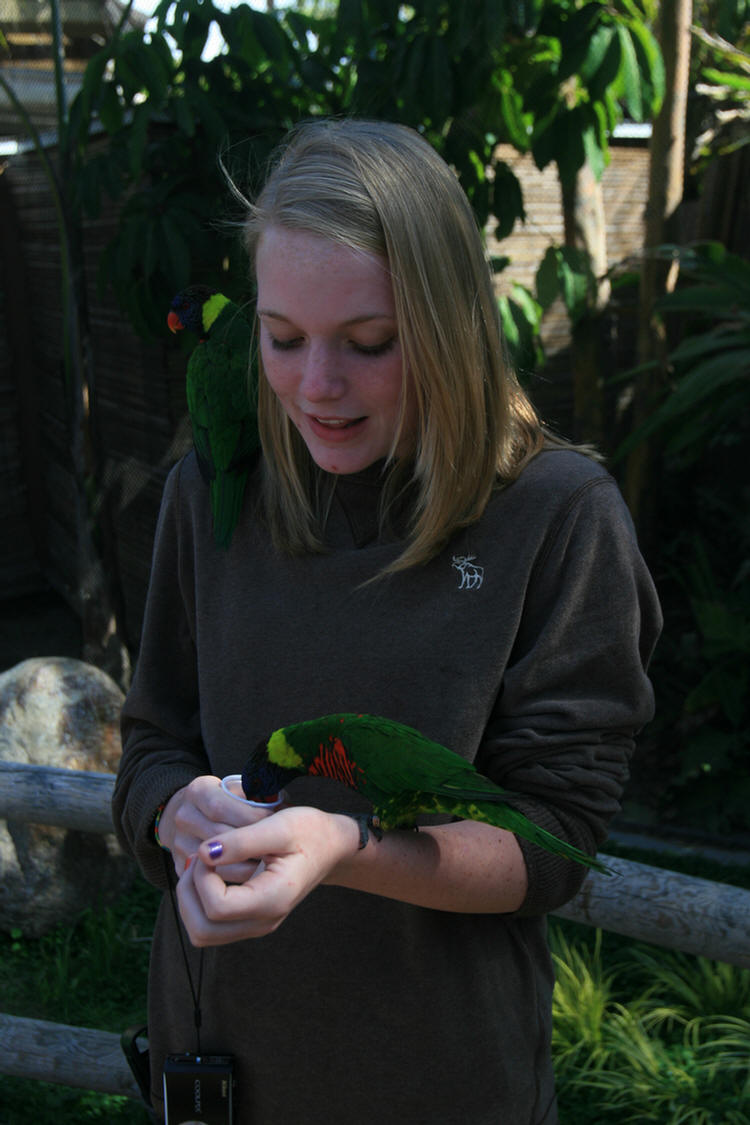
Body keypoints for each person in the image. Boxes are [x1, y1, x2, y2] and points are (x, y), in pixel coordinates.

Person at [112, 118, 662, 1125]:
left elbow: (556, 838)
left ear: (450, 326)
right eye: (281, 338)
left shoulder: (559, 518)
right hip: (219, 1071)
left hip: (439, 1080)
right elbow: (153, 739)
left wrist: (349, 849)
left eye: (369, 344)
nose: (316, 388)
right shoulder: (215, 491)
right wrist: (169, 811)